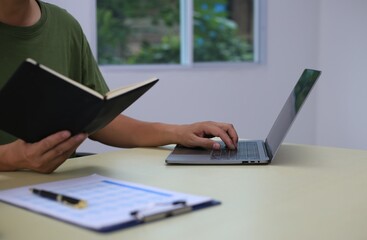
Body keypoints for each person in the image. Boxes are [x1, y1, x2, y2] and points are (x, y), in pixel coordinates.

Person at [0, 0, 238, 173]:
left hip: (60, 188)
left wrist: (179, 132)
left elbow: (97, 120)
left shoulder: (64, 26)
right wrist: (13, 158)